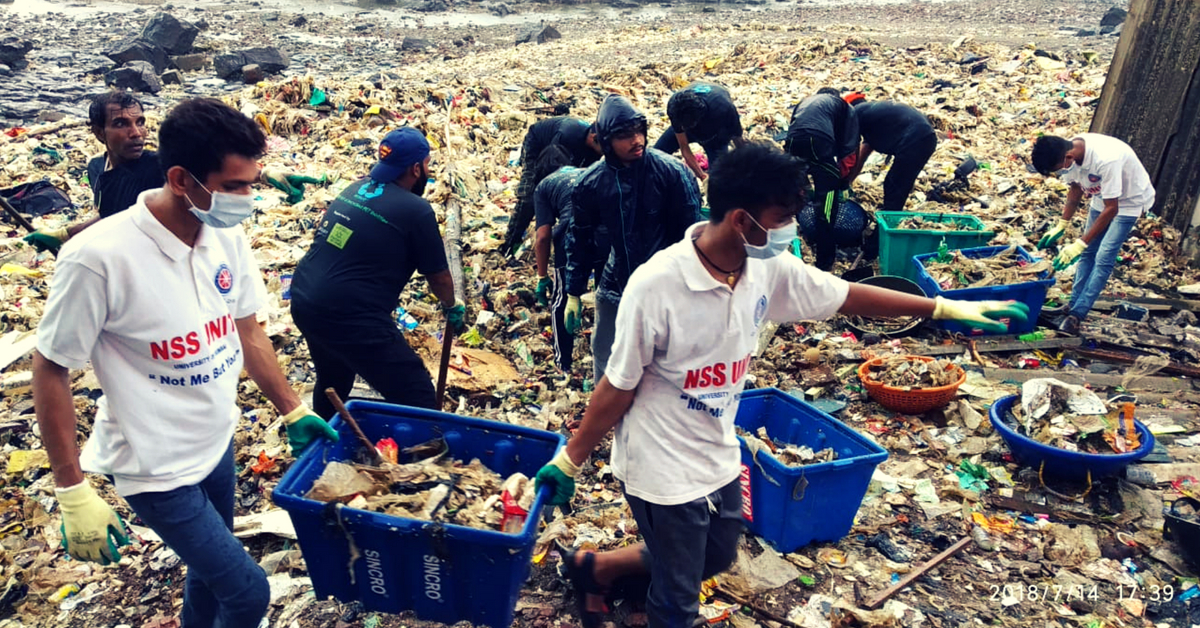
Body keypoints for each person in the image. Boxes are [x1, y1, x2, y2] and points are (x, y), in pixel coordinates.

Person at [535, 142, 1028, 628]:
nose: (789, 230)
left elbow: (846, 296)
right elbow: (618, 385)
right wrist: (571, 458)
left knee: (715, 556)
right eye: (781, 218)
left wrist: (941, 307)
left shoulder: (766, 268)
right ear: (741, 220)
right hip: (658, 463)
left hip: (716, 449)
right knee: (679, 595)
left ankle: (596, 569)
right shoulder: (656, 287)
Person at [32, 98, 338, 628]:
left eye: (251, 184)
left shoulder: (226, 235)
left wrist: (290, 408)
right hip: (154, 465)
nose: (247, 199)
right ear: (180, 178)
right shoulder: (99, 259)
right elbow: (51, 366)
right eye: (233, 187)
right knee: (246, 592)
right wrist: (71, 488)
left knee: (208, 577)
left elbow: (246, 327)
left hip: (216, 441)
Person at [289, 127, 466, 418]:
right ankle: (426, 452)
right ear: (416, 168)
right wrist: (451, 305)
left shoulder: (353, 189)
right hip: (349, 313)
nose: (429, 170)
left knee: (333, 380)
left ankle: (322, 444)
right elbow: (439, 276)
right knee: (416, 395)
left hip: (305, 297)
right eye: (428, 164)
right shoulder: (417, 209)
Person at [564, 94, 702, 383]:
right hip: (618, 279)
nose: (636, 141)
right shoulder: (591, 183)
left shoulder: (671, 172)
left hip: (669, 278)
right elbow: (581, 239)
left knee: (669, 356)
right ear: (606, 141)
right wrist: (573, 292)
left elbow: (692, 233)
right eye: (625, 136)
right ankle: (607, 412)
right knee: (606, 349)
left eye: (639, 132)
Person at [1031, 133, 1155, 335]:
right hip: (1101, 197)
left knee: (1104, 256)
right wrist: (1063, 223)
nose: (1061, 172)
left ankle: (1077, 315)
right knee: (1088, 254)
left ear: (1069, 158)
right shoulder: (1068, 152)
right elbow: (1075, 188)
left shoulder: (1107, 159)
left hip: (1129, 201)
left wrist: (1080, 243)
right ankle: (1071, 306)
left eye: (1059, 169)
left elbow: (1112, 209)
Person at [24, 92, 165, 253]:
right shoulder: (97, 169)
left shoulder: (160, 170)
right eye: (120, 124)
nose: (136, 133)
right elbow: (112, 216)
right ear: (99, 133)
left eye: (140, 122)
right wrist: (63, 235)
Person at [501, 116, 603, 256]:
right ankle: (510, 243)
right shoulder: (567, 135)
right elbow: (551, 163)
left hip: (568, 154)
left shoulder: (595, 149)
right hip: (540, 146)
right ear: (594, 138)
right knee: (530, 196)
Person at [783, 87, 860, 271]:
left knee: (799, 185)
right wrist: (842, 182)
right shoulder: (845, 107)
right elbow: (849, 148)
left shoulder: (806, 101)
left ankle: (795, 232)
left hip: (793, 140)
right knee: (827, 204)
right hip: (817, 139)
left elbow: (794, 130)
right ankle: (824, 262)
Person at [532, 146, 586, 373]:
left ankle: (563, 363)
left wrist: (542, 276)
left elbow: (543, 237)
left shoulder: (544, 186)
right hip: (603, 234)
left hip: (570, 235)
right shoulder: (587, 172)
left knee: (562, 298)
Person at [843, 92, 937, 212]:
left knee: (895, 184)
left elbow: (852, 154)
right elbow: (861, 157)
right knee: (899, 182)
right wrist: (848, 183)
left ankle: (889, 221)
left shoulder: (857, 113)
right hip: (927, 138)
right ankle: (891, 215)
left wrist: (842, 183)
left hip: (916, 137)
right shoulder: (874, 118)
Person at [652, 81, 746, 180]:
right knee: (654, 156)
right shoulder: (675, 107)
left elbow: (737, 138)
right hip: (687, 120)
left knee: (719, 177)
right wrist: (702, 175)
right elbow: (684, 146)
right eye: (682, 126)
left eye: (687, 126)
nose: (683, 129)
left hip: (715, 136)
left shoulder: (724, 109)